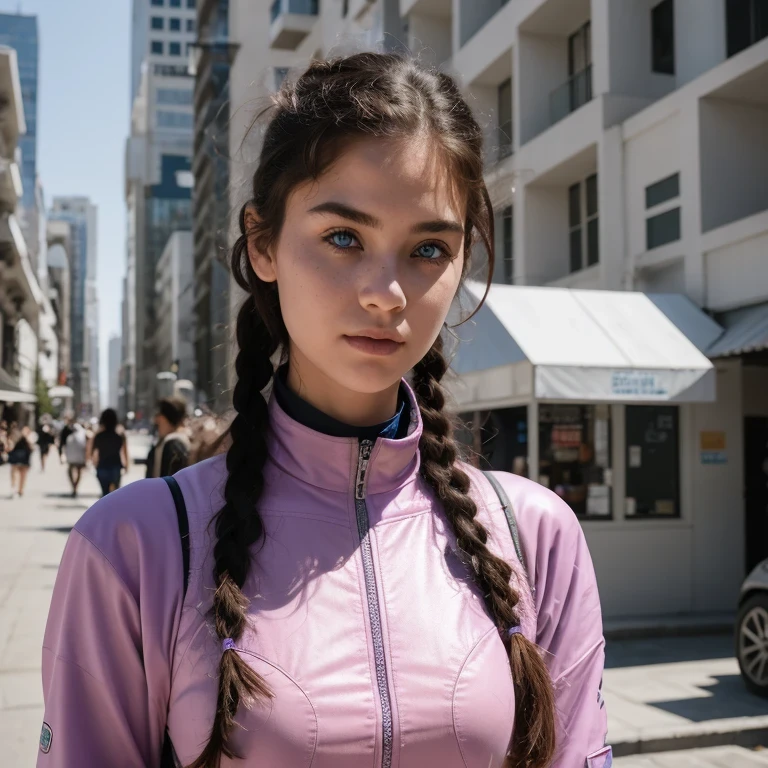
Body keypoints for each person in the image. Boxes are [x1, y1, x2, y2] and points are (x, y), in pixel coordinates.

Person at [38, 54, 611, 768]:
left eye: (429, 248)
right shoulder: (136, 546)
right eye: (344, 238)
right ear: (262, 243)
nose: (387, 292)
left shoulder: (535, 536)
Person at [145, 396, 191, 479]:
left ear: (166, 418)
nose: (155, 420)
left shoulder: (174, 444)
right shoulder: (179, 440)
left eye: (159, 415)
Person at [88, 408, 129, 497]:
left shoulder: (99, 436)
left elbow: (92, 452)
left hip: (102, 467)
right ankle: (114, 509)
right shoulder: (119, 436)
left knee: (105, 494)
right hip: (115, 467)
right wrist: (126, 466)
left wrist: (93, 463)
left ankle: (107, 509)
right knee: (115, 495)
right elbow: (125, 452)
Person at [8, 425, 33, 498]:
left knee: (23, 474)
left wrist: (26, 437)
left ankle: (21, 490)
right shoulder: (16, 435)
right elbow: (11, 446)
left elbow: (32, 447)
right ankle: (14, 488)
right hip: (16, 456)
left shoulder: (30, 436)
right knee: (14, 472)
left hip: (25, 457)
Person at [64, 422, 87, 498]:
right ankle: (75, 486)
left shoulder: (70, 437)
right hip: (79, 458)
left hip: (73, 459)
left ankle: (74, 486)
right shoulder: (81, 436)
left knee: (73, 471)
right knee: (78, 472)